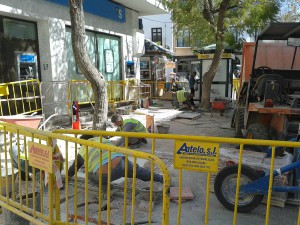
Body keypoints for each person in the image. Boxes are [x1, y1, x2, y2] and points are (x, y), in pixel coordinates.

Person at [68, 135, 163, 184]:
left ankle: (105, 190)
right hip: (121, 164)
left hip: (105, 176)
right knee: (140, 172)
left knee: (88, 173)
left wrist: (65, 178)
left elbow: (73, 169)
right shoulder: (101, 139)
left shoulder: (82, 151)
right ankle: (163, 180)